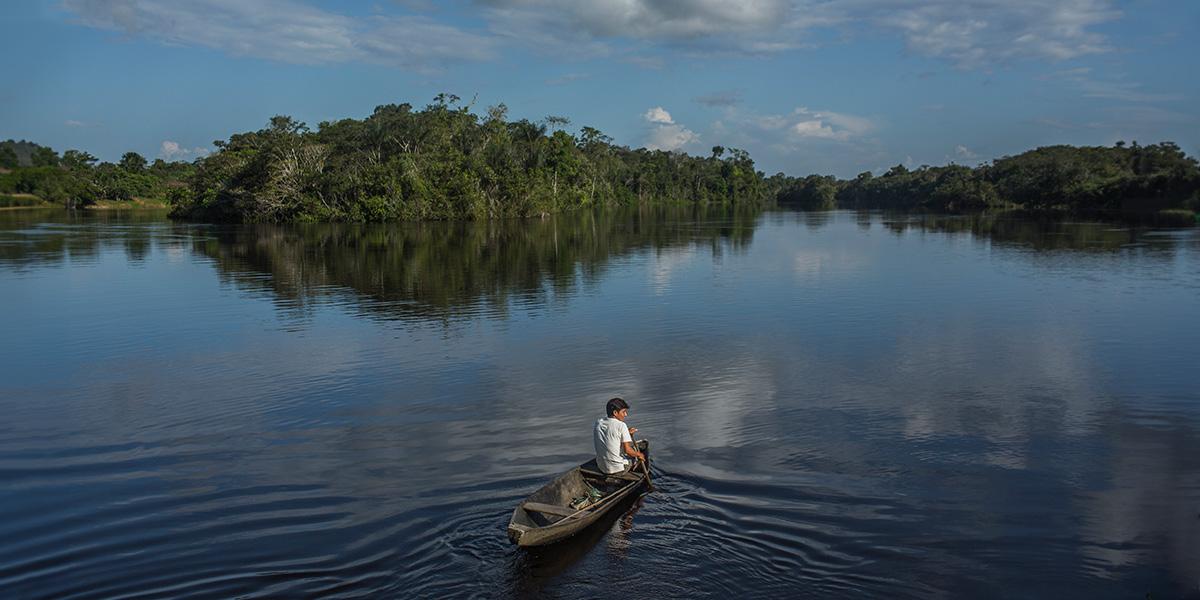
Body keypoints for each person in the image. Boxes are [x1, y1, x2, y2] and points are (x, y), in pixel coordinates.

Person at [593, 397, 645, 474]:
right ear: (615, 413)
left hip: (601, 467)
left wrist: (627, 433)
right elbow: (627, 451)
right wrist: (640, 454)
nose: (626, 414)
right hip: (617, 469)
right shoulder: (621, 425)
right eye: (623, 412)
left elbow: (610, 435)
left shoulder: (598, 423)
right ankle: (635, 469)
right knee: (635, 455)